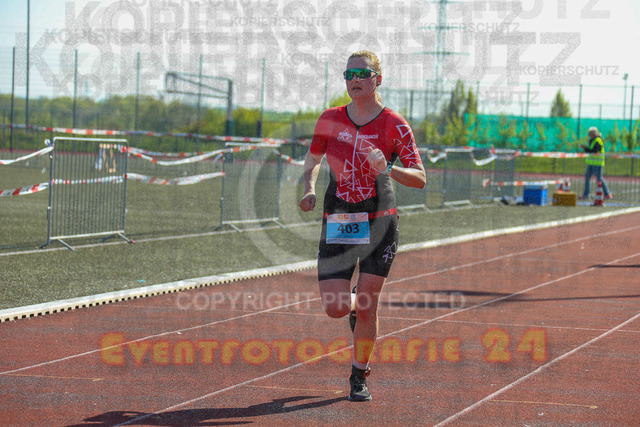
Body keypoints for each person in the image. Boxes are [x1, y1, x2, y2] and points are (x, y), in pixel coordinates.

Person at [299, 50, 426, 402]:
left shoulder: (394, 123)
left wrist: (389, 168)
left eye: (362, 73)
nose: (354, 79)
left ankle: (359, 375)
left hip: (379, 221)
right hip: (339, 219)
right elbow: (312, 159)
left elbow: (420, 178)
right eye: (349, 74)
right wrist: (309, 188)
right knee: (336, 307)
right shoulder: (330, 118)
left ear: (377, 80)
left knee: (369, 301)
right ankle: (354, 304)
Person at [580, 126, 612, 200]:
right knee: (587, 177)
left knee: (599, 178)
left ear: (593, 133)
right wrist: (585, 148)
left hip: (597, 163)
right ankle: (586, 194)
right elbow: (591, 151)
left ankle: (607, 193)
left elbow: (595, 151)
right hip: (591, 162)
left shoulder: (598, 140)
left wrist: (586, 148)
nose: (588, 134)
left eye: (590, 133)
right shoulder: (592, 140)